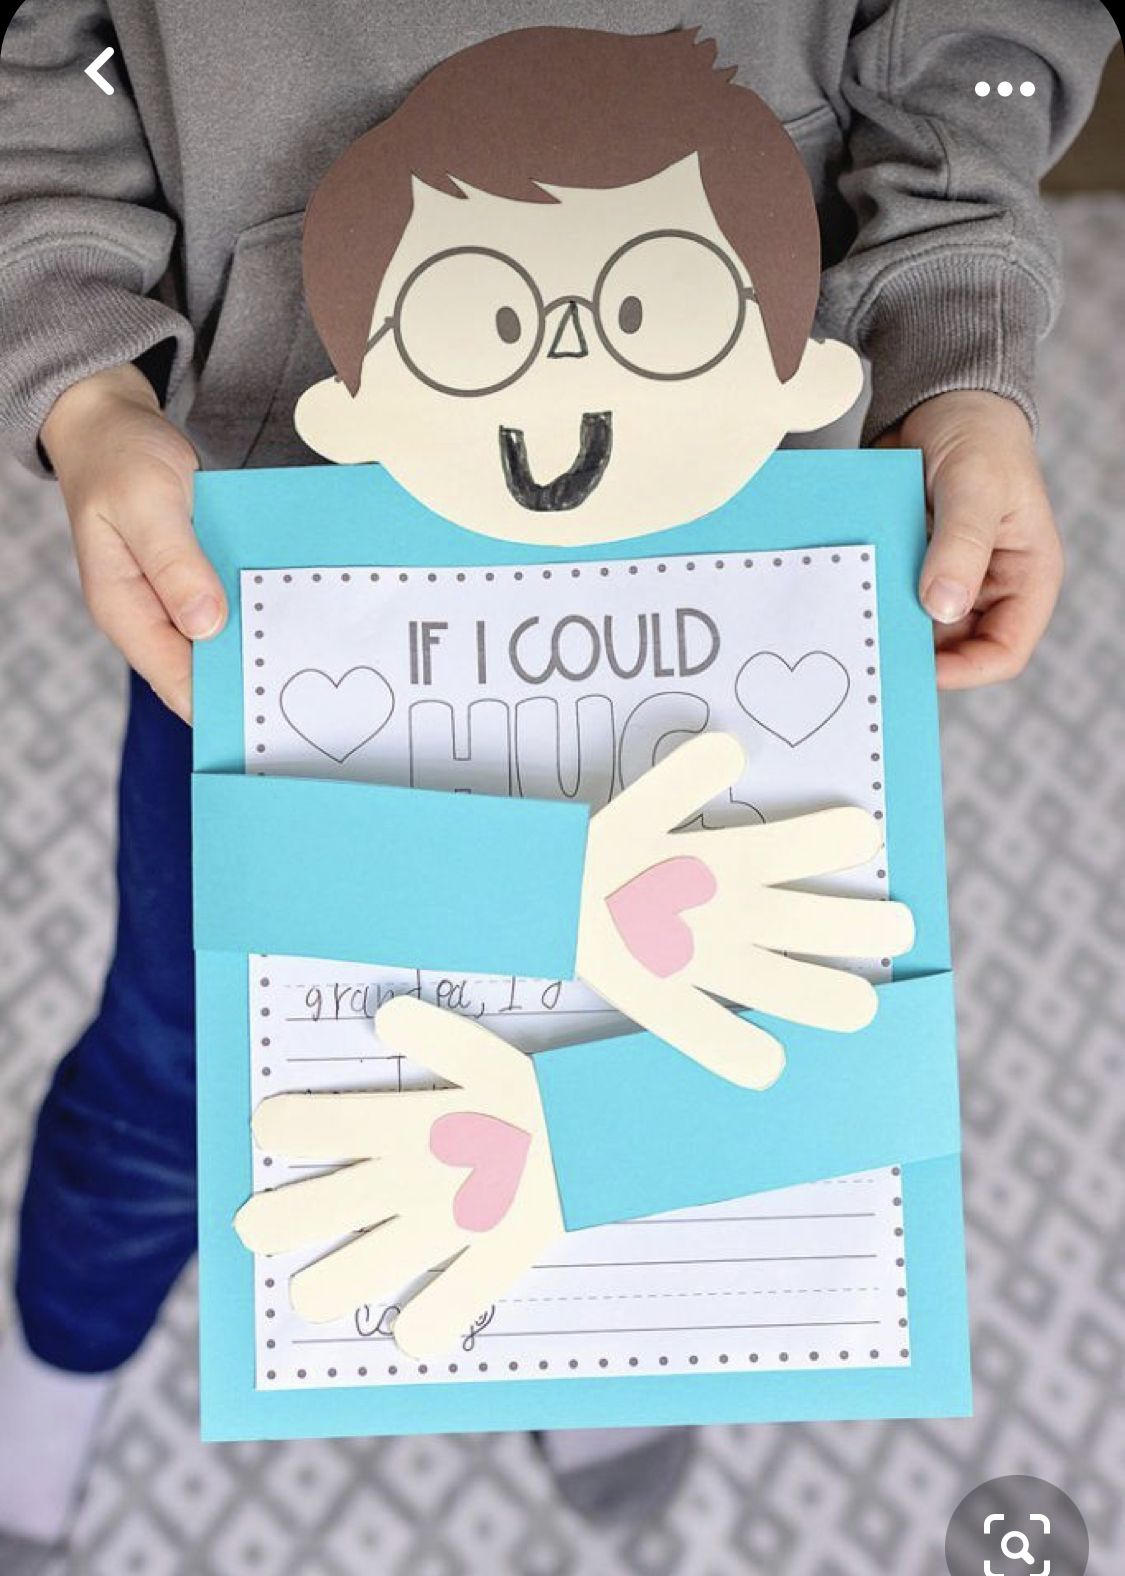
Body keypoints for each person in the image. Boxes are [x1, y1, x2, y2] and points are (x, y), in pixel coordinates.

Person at [0, 2, 1116, 1566]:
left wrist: (957, 341)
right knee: (187, 1060)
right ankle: (53, 1356)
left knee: (706, 992)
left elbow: (972, 38)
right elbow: (41, 57)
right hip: (286, 561)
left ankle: (593, 1332)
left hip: (739, 529)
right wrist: (82, 372)